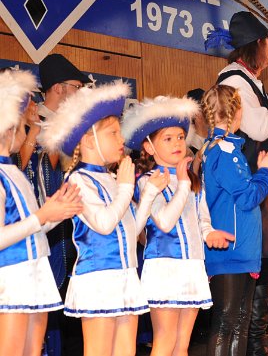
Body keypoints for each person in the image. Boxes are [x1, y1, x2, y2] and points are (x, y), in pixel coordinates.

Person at [40, 81, 169, 356]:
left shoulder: (112, 178)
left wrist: (147, 195)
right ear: (89, 140)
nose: (121, 140)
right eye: (113, 133)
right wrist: (126, 189)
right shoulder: (78, 180)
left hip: (125, 274)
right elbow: (103, 223)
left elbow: (133, 231)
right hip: (98, 277)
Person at [215, 11, 268, 356]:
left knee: (267, 263)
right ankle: (252, 346)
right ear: (257, 45)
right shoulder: (235, 81)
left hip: (261, 187)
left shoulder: (249, 81)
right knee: (254, 267)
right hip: (246, 189)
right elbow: (259, 127)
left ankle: (255, 344)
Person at [121, 95, 236, 355]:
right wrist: (183, 184)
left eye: (181, 137)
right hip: (164, 266)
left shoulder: (193, 180)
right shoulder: (149, 181)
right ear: (149, 147)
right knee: (165, 341)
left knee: (182, 346)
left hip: (192, 265)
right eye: (168, 138)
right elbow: (164, 221)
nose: (177, 143)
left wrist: (209, 234)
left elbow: (202, 218)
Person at [0, 69, 83, 356]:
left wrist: (55, 213)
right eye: (26, 128)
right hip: (11, 277)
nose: (28, 135)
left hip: (35, 272)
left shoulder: (13, 173)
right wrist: (42, 216)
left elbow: (31, 226)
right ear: (9, 128)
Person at [200, 84, 268, 356]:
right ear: (237, 112)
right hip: (231, 248)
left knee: (239, 322)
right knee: (227, 321)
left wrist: (261, 173)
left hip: (239, 247)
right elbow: (248, 198)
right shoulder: (224, 152)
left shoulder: (223, 149)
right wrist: (265, 172)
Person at [19, 54, 91, 356]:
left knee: (69, 314)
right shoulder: (28, 123)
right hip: (36, 228)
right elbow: (19, 169)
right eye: (77, 86)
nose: (81, 93)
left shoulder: (76, 128)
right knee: (39, 316)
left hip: (71, 230)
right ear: (59, 88)